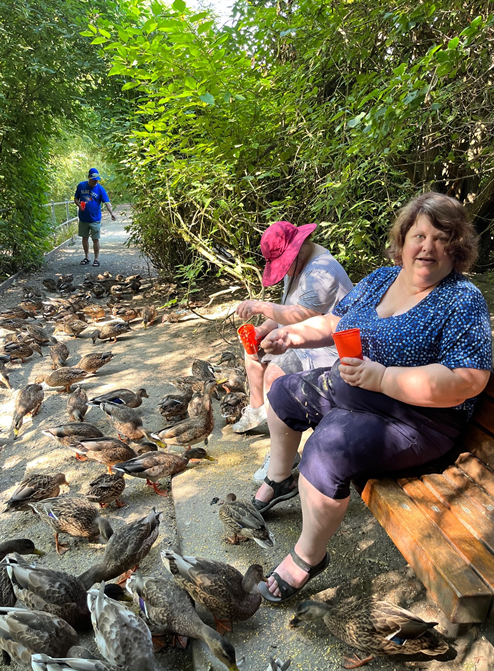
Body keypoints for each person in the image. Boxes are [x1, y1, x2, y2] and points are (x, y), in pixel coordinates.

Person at [251, 192, 492, 603]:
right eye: (419, 235)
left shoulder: (461, 299)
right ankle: (278, 477)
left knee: (328, 446)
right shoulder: (382, 278)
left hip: (417, 420)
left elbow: (469, 379)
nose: (428, 246)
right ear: (404, 239)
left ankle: (309, 555)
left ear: (457, 247)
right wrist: (292, 335)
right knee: (283, 392)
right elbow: (334, 322)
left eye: (441, 237)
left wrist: (383, 378)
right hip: (357, 390)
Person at [233, 220, 353, 482]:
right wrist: (264, 328)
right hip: (299, 338)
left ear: (297, 250)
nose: (285, 272)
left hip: (328, 350)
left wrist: (261, 306)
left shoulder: (322, 271)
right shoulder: (299, 264)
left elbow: (302, 315)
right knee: (252, 351)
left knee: (275, 374)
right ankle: (258, 412)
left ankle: (283, 458)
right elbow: (286, 311)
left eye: (285, 265)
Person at [74, 168, 116, 267]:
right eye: (93, 179)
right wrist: (79, 205)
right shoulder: (81, 185)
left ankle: (96, 259)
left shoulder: (100, 189)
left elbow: (107, 203)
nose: (95, 181)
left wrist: (112, 213)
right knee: (84, 238)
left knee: (95, 239)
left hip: (95, 219)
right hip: (83, 218)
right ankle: (87, 257)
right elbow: (76, 198)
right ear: (89, 177)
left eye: (96, 179)